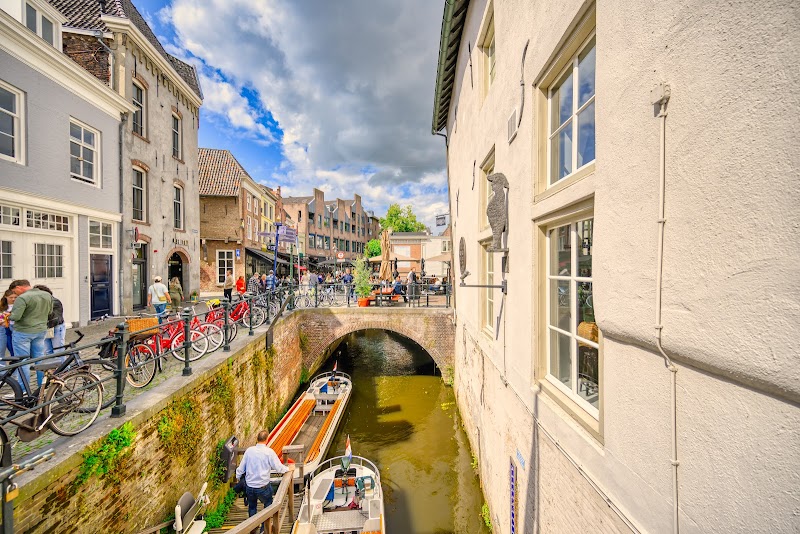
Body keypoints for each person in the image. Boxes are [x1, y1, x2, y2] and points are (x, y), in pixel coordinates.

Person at [7, 280, 52, 390]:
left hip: (23, 332)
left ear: (19, 287)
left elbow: (16, 317)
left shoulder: (22, 298)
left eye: (14, 291)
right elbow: (50, 312)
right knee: (39, 359)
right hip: (40, 330)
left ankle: (23, 390)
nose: (15, 294)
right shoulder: (46, 295)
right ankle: (42, 388)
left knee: (23, 362)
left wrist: (8, 316)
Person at [235, 430, 291, 519]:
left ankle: (252, 527)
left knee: (252, 507)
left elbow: (241, 469)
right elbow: (279, 468)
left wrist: (238, 478)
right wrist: (288, 469)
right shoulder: (269, 452)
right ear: (267, 440)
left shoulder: (249, 451)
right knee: (268, 505)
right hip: (263, 486)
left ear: (257, 439)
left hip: (250, 486)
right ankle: (265, 528)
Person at [33, 285, 65, 356]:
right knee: (47, 352)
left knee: (58, 351)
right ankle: (52, 366)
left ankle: (64, 367)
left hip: (56, 328)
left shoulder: (55, 302)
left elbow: (53, 317)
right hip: (44, 329)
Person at [0, 289, 16, 359]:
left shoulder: (18, 305)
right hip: (3, 328)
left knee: (14, 349)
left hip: (15, 327)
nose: (13, 299)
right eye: (11, 297)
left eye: (15, 297)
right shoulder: (2, 306)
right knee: (2, 348)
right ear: (6, 297)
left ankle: (16, 366)